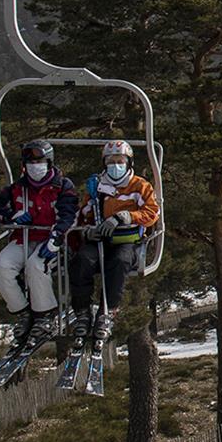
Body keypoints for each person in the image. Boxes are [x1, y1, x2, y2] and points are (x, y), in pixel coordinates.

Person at [0, 139, 77, 356]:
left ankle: (44, 316)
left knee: (36, 266)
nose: (36, 166)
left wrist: (56, 237)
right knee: (2, 267)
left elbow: (69, 214)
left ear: (49, 162)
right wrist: (11, 216)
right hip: (23, 238)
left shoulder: (62, 186)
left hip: (50, 241)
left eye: (40, 161)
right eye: (31, 162)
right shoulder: (17, 189)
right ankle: (24, 313)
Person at [66, 139, 160, 350]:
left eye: (120, 161)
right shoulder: (97, 186)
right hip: (100, 239)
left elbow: (152, 213)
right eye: (110, 161)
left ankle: (107, 311)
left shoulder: (139, 186)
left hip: (128, 241)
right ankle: (82, 312)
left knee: (120, 261)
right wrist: (88, 226)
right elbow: (84, 211)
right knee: (82, 261)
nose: (115, 165)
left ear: (128, 162)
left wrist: (126, 216)